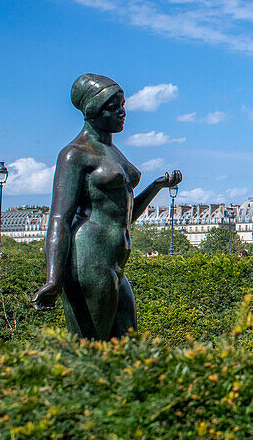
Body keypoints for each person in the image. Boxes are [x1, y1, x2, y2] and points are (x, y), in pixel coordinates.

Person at [33, 74, 182, 340]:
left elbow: (125, 217)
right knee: (92, 348)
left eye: (122, 105)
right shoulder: (75, 153)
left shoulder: (113, 152)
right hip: (89, 259)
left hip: (114, 263)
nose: (122, 112)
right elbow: (59, 219)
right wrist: (53, 278)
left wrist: (157, 186)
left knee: (127, 344)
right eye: (113, 106)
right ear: (93, 110)